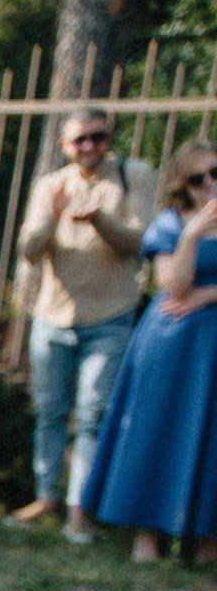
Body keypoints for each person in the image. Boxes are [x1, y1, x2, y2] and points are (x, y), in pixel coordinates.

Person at [13, 108, 153, 537]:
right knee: (50, 412)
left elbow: (141, 242)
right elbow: (28, 249)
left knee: (93, 415)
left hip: (110, 315)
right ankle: (47, 496)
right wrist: (54, 216)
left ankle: (80, 508)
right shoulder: (49, 186)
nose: (90, 146)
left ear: (109, 137)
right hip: (53, 315)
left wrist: (99, 219)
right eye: (80, 140)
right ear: (64, 146)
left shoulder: (134, 175)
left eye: (98, 136)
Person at [77, 142, 217, 564]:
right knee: (159, 428)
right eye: (199, 178)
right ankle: (147, 536)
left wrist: (208, 296)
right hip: (172, 343)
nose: (211, 184)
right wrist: (193, 234)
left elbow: (193, 293)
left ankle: (208, 541)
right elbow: (174, 287)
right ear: (183, 186)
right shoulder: (169, 224)